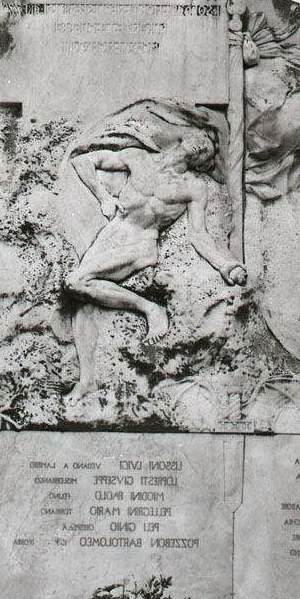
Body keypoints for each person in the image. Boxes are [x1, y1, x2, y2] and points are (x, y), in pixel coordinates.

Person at [65, 122, 245, 400]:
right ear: (184, 136)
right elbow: (83, 161)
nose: (203, 142)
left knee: (76, 282)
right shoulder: (138, 157)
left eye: (209, 146)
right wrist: (104, 197)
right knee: (83, 299)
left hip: (141, 244)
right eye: (202, 136)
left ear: (204, 163)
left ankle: (151, 309)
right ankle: (87, 380)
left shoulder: (192, 188)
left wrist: (226, 266)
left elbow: (199, 236)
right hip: (111, 236)